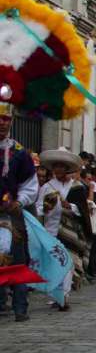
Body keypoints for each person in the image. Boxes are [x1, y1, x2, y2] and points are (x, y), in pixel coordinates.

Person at [0, 102, 38, 322]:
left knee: (16, 260)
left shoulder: (19, 153)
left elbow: (30, 184)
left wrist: (20, 201)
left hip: (11, 214)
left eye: (6, 119)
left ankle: (20, 306)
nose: (2, 123)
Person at [36, 148, 86, 311]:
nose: (58, 169)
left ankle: (64, 294)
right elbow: (38, 208)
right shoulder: (47, 187)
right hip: (52, 230)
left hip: (70, 230)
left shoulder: (76, 186)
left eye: (61, 166)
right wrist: (46, 208)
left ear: (67, 168)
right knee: (55, 263)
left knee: (68, 262)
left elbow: (82, 209)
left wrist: (69, 206)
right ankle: (55, 295)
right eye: (55, 166)